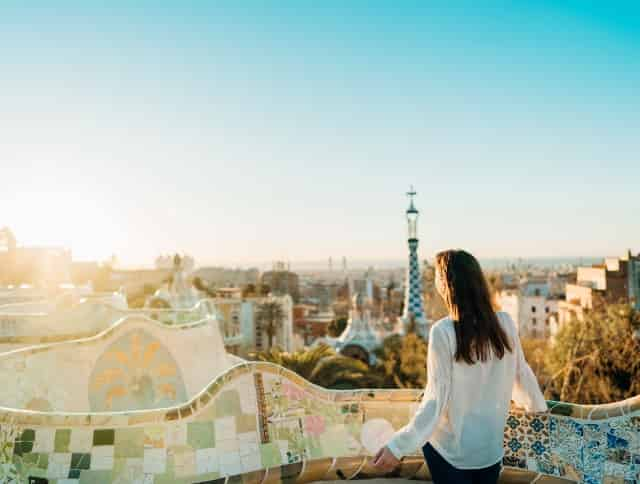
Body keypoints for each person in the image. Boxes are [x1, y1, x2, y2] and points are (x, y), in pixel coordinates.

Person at [372, 249, 547, 483]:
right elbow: (521, 375)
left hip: (450, 451)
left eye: (436, 275)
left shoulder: (443, 332)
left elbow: (435, 400)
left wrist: (396, 447)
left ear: (445, 284)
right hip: (490, 450)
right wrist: (538, 409)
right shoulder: (504, 323)